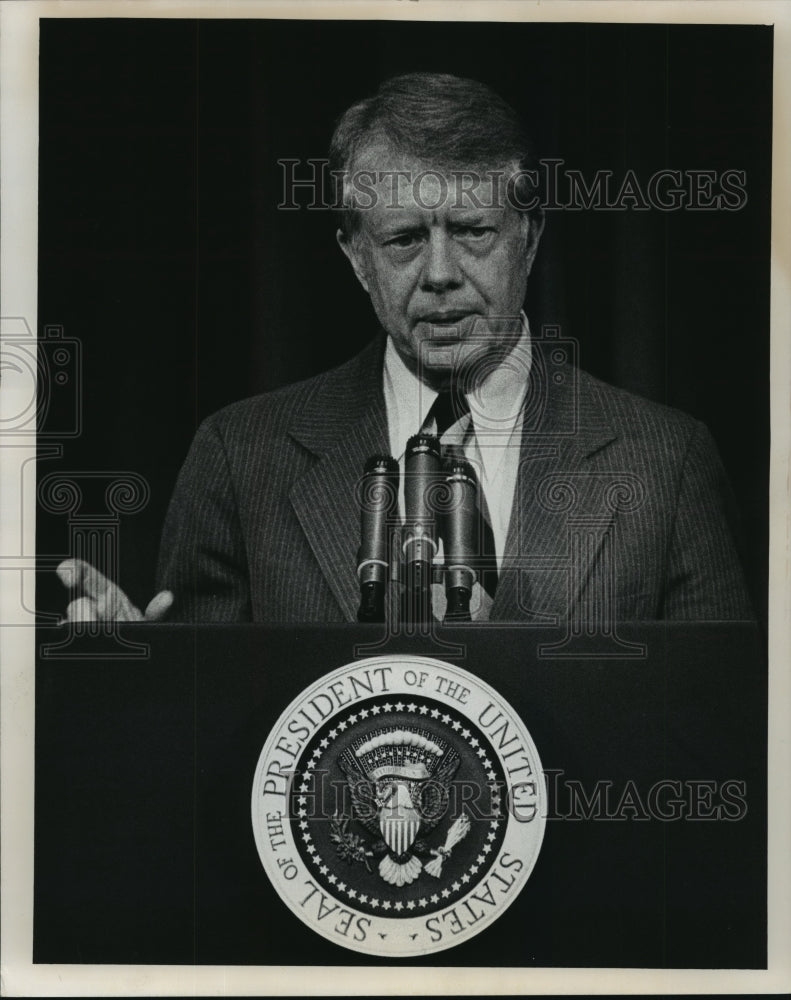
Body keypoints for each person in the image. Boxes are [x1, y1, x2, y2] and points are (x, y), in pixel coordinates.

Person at [57, 72, 753, 625]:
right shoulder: (241, 458)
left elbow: (717, 737)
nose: (441, 272)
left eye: (473, 230)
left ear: (530, 237)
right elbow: (204, 751)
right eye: (404, 240)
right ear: (357, 258)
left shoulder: (666, 463)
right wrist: (144, 686)